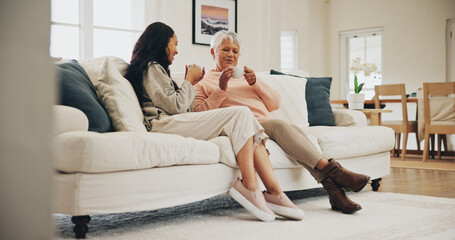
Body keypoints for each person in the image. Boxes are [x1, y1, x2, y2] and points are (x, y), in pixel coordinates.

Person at [124, 22, 304, 222]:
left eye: (235, 51)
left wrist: (187, 84)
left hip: (175, 120)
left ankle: (273, 191)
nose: (177, 49)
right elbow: (175, 107)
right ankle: (252, 187)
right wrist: (190, 82)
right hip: (163, 124)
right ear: (161, 43)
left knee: (244, 116)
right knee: (241, 114)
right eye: (174, 43)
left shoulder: (158, 69)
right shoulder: (152, 67)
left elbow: (178, 105)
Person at [194, 30, 371, 214]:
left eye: (235, 51)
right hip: (244, 127)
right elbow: (201, 114)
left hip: (266, 123)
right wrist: (221, 88)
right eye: (225, 49)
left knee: (296, 132)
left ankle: (335, 192)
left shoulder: (247, 78)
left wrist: (256, 83)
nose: (231, 54)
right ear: (213, 52)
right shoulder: (204, 82)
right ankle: (336, 173)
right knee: (281, 125)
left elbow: (274, 104)